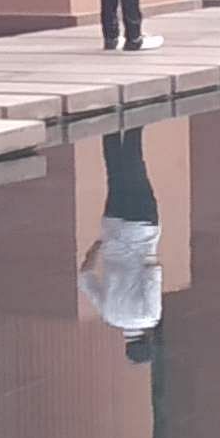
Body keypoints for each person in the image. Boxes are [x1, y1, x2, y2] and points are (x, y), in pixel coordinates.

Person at [78, 128, 165, 364]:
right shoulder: (109, 315)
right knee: (115, 174)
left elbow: (152, 273)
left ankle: (136, 122)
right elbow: (85, 277)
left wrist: (147, 250)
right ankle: (109, 127)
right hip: (113, 229)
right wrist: (98, 246)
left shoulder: (150, 317)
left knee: (136, 168)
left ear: (146, 341)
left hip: (141, 228)